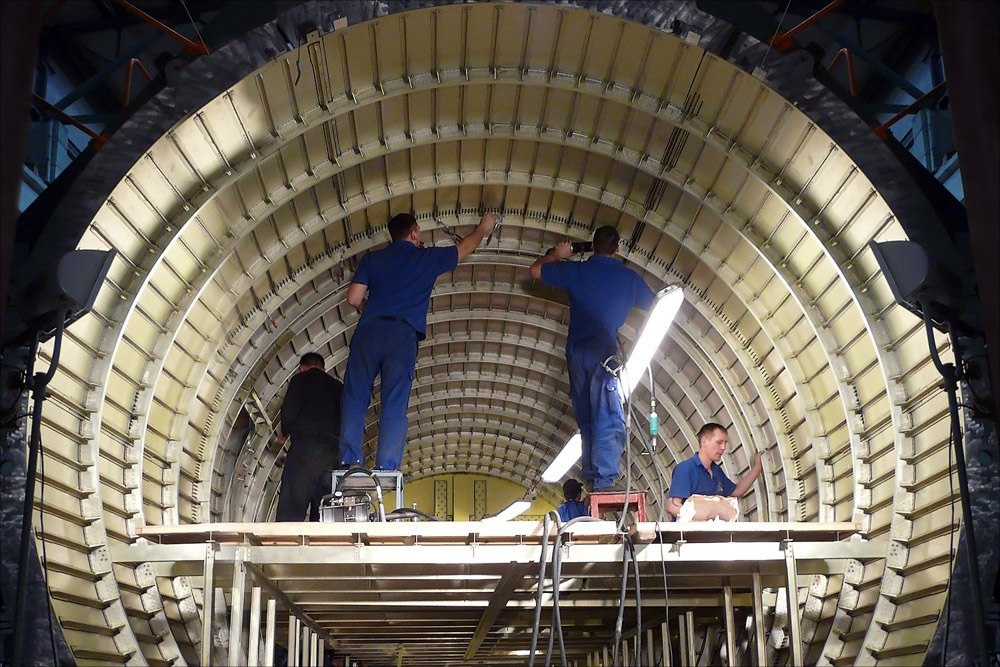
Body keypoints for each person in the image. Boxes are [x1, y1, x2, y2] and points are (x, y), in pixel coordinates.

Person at [339, 211, 497, 471]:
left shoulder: (372, 259)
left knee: (355, 397)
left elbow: (354, 298)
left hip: (368, 332)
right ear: (413, 233)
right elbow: (464, 248)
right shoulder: (426, 258)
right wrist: (483, 227)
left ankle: (349, 462)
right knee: (394, 402)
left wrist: (372, 310)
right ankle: (386, 467)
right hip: (402, 336)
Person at [530, 226, 655, 492]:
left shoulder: (577, 271)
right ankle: (605, 480)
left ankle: (591, 475)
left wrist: (557, 254)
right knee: (607, 412)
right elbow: (656, 306)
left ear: (592, 246)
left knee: (586, 415)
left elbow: (536, 271)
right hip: (604, 353)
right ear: (617, 249)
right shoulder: (629, 279)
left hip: (576, 353)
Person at [274, 352, 344, 521]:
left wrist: (285, 433)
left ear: (301, 368)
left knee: (292, 508)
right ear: (324, 369)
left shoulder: (299, 380)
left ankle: (287, 537)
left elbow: (288, 412)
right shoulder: (338, 386)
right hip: (332, 451)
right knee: (325, 512)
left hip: (304, 448)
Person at [666, 422, 764, 519]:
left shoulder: (717, 471)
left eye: (725, 443)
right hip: (690, 529)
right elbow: (672, 507)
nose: (723, 447)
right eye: (719, 442)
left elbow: (736, 491)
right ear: (704, 442)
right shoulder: (685, 469)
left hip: (713, 529)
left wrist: (757, 468)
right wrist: (702, 517)